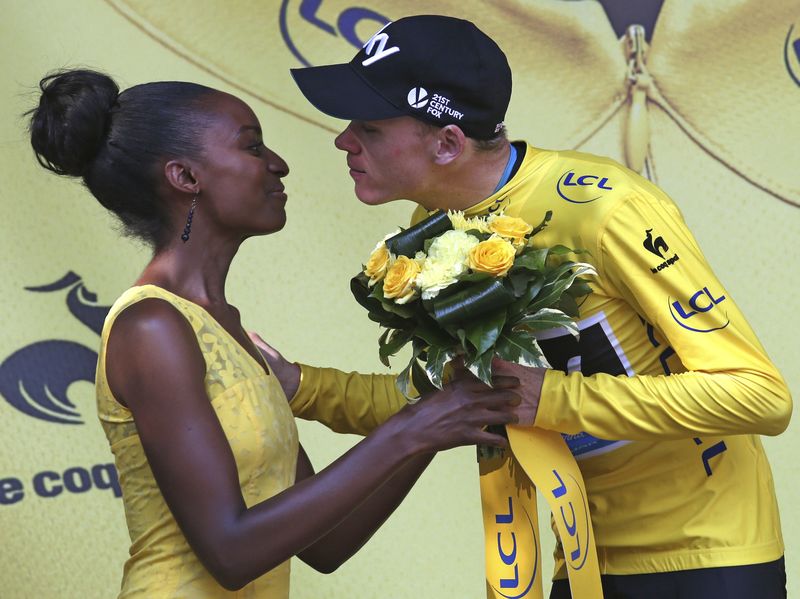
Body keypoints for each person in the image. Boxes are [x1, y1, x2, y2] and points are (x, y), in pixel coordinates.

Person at [288, 14, 793, 599]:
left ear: (448, 143)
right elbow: (446, 403)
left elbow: (759, 394)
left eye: (369, 128)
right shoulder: (431, 228)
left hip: (708, 555)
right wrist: (296, 385)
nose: (342, 139)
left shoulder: (607, 209)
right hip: (578, 558)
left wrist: (549, 398)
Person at [26, 68, 523, 598]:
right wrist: (415, 427)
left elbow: (327, 546)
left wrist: (446, 415)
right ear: (185, 178)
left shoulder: (226, 327)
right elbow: (231, 551)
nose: (278, 164)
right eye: (253, 147)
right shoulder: (152, 327)